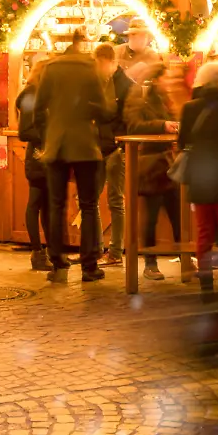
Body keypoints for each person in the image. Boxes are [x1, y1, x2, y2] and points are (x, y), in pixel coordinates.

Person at [34, 33, 110, 284]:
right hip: (85, 146)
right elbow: (104, 110)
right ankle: (89, 267)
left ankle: (58, 264)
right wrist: (88, 113)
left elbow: (38, 110)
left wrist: (48, 136)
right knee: (88, 205)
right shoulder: (90, 69)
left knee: (56, 205)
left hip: (56, 145)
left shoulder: (51, 68)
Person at [178, 59, 218, 293]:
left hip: (199, 177)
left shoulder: (189, 108)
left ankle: (206, 285)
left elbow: (182, 142)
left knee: (204, 231)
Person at [124, 60, 182, 282]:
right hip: (150, 167)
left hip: (168, 165)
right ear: (156, 79)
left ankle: (185, 258)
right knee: (151, 218)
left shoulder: (164, 98)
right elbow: (134, 126)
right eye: (166, 77)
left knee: (178, 216)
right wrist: (162, 125)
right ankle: (150, 263)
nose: (169, 81)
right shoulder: (140, 98)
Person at [94, 41, 133, 267]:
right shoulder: (98, 82)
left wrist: (121, 144)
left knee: (115, 201)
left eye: (100, 64)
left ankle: (115, 251)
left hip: (116, 149)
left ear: (111, 62)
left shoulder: (126, 85)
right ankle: (97, 248)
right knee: (90, 200)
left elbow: (129, 118)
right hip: (98, 147)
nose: (98, 68)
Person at [16, 58, 50, 272]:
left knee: (46, 205)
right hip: (38, 158)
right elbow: (24, 132)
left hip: (45, 157)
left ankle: (47, 251)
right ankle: (37, 251)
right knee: (36, 203)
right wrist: (48, 136)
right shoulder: (31, 95)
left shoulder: (42, 94)